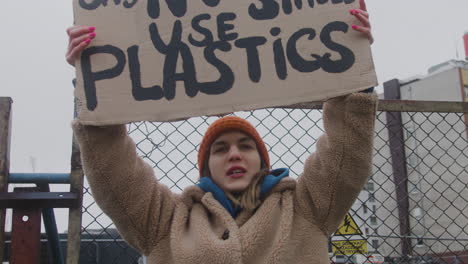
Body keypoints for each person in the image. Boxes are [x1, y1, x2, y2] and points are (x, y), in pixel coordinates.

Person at [68, 0, 378, 263]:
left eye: (245, 145)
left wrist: (352, 69)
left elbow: (346, 152)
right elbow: (115, 175)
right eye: (220, 149)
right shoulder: (165, 221)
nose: (233, 154)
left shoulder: (308, 207)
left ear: (262, 161)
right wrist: (94, 79)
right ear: (205, 166)